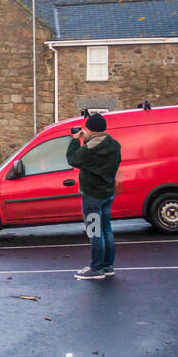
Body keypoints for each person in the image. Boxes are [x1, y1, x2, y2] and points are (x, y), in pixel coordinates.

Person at [66, 112, 122, 280]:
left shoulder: (89, 150)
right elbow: (95, 153)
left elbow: (73, 159)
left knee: (94, 231)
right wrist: (86, 139)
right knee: (106, 229)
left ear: (91, 130)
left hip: (92, 196)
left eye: (87, 130)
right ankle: (108, 265)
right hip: (107, 193)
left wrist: (75, 140)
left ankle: (96, 268)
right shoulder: (114, 145)